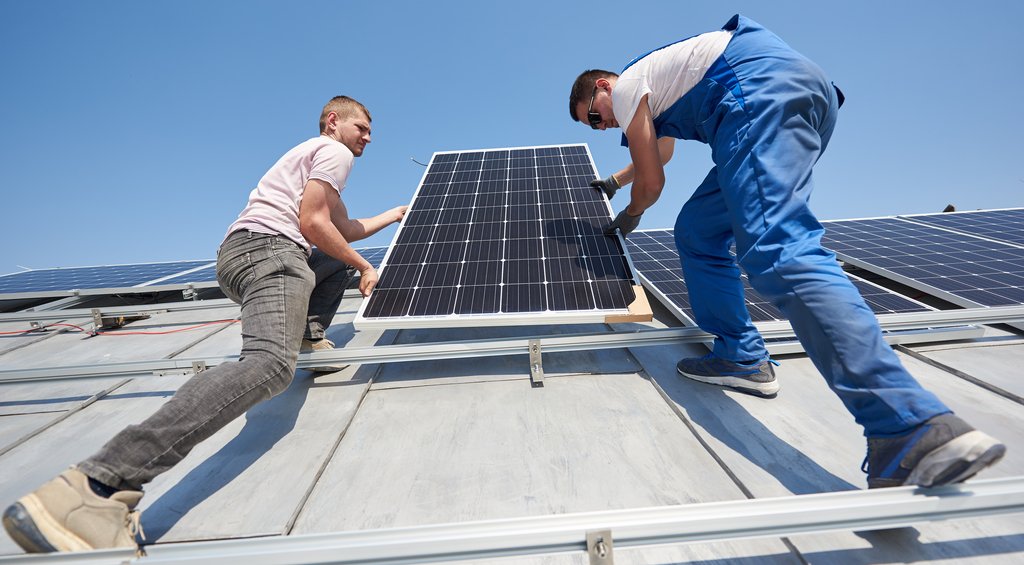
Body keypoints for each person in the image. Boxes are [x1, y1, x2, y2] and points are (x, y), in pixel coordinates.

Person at [569, 15, 1005, 489]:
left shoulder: (632, 84)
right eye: (593, 127)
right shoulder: (654, 84)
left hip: (756, 94)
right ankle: (742, 358)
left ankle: (910, 423)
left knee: (774, 247)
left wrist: (627, 218)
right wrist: (613, 182)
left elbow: (653, 183)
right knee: (697, 230)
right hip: (799, 95)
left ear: (605, 86)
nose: (601, 125)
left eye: (594, 114)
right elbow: (660, 155)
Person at [2, 96, 407, 553]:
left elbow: (341, 229)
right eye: (363, 128)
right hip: (272, 253)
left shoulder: (311, 160)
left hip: (244, 253)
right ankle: (95, 489)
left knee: (335, 263)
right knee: (270, 365)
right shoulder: (331, 152)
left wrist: (392, 216)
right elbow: (313, 223)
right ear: (334, 122)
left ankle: (309, 337)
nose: (368, 138)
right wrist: (365, 268)